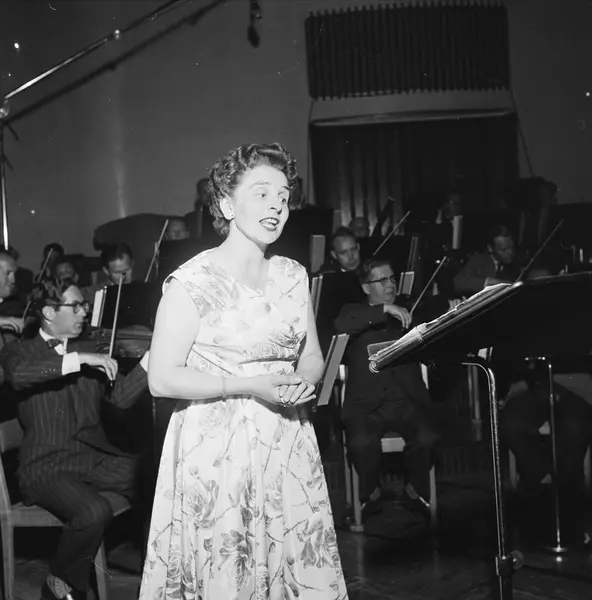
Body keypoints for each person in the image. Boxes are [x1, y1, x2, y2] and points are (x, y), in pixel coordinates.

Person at [140, 143, 347, 599]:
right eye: (262, 193)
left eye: (283, 197)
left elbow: (311, 354)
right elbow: (161, 378)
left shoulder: (293, 275)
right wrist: (250, 385)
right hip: (218, 449)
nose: (277, 206)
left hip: (286, 439)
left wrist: (306, 382)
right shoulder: (191, 281)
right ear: (227, 204)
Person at [1, 277, 149, 600]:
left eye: (85, 305)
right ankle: (59, 583)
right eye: (76, 306)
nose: (84, 312)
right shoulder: (19, 351)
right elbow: (21, 375)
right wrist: (78, 359)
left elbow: (119, 399)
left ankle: (160, 571)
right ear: (49, 313)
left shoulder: (90, 350)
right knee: (93, 512)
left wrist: (149, 363)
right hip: (46, 466)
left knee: (155, 477)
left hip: (91, 458)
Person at [334, 258, 439, 519]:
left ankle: (413, 491)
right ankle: (372, 493)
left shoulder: (409, 310)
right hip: (366, 408)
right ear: (366, 287)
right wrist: (383, 310)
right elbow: (342, 325)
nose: (390, 284)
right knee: (361, 444)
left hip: (407, 402)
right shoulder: (353, 311)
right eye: (382, 280)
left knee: (428, 437)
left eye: (392, 278)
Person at [453, 224, 521, 296]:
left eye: (511, 247)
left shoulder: (516, 265)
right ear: (490, 248)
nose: (510, 252)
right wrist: (491, 282)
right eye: (504, 249)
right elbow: (459, 282)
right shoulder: (478, 261)